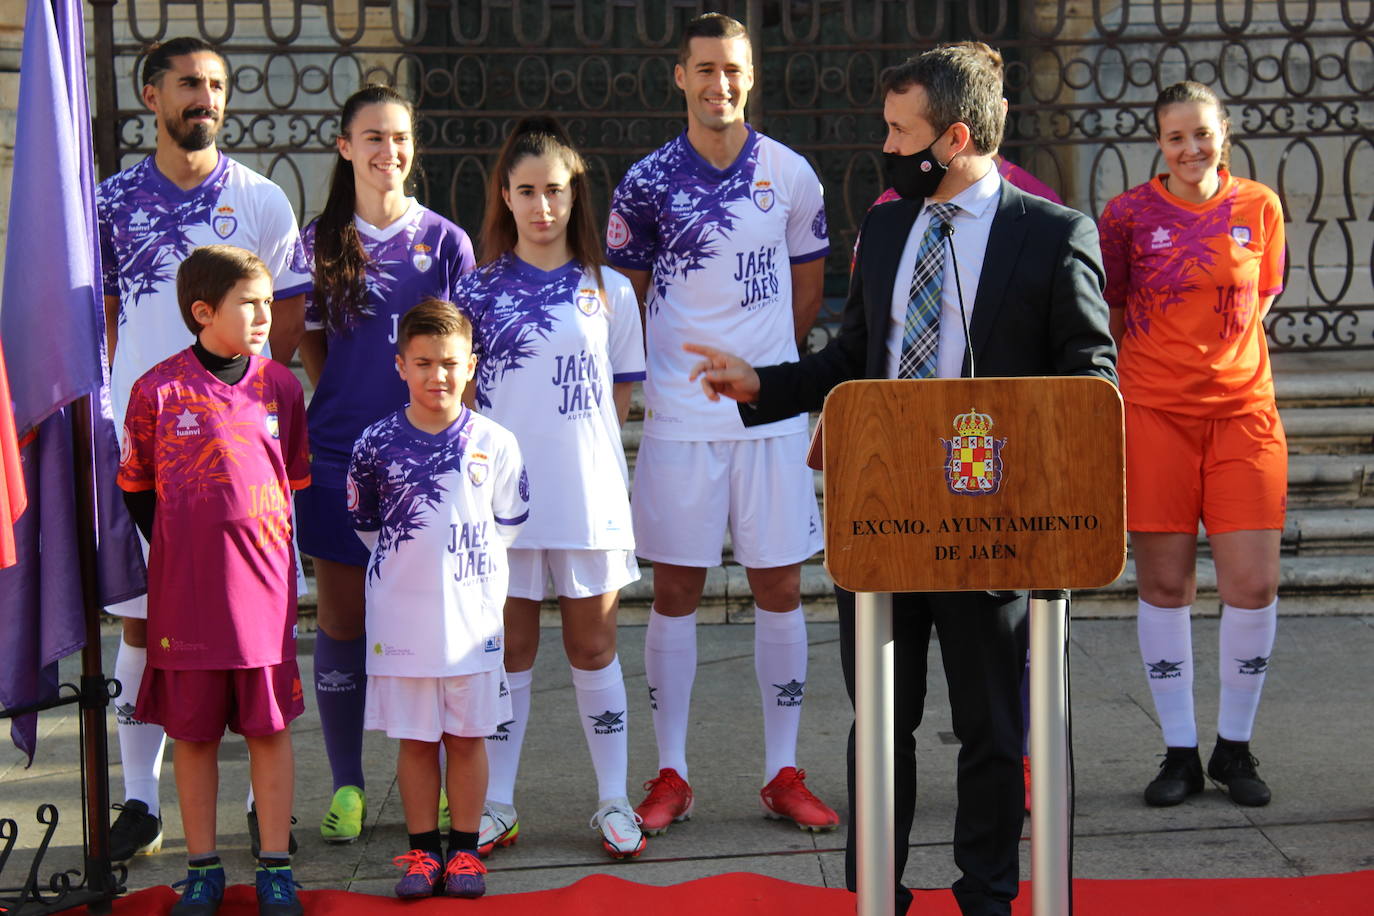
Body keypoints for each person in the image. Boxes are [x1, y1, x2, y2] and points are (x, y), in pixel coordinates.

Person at [685, 45, 1116, 915]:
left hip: (993, 520)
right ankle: (880, 887)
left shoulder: (1053, 233)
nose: (885, 146)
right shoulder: (888, 226)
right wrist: (763, 383)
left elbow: (1091, 380)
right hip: (882, 515)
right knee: (883, 720)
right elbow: (855, 361)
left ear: (954, 138)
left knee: (991, 727)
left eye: (899, 132)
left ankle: (986, 893)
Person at [604, 11, 839, 835]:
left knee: (781, 588)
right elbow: (622, 303)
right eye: (705, 69)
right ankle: (672, 773)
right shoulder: (644, 182)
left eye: (733, 69)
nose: (720, 84)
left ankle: (782, 770)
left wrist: (771, 376)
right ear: (680, 76)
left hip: (768, 422)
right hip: (678, 420)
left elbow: (807, 292)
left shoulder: (791, 173)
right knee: (675, 593)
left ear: (750, 74)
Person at [96, 36, 311, 862]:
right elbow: (102, 323)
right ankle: (141, 803)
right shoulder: (111, 203)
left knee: (255, 634)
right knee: (143, 618)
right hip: (143, 449)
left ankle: (265, 810)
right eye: (189, 84)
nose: (206, 98)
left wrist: (239, 416)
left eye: (217, 85)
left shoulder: (261, 199)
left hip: (240, 463)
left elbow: (282, 323)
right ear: (152, 96)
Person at [456, 118, 647, 858]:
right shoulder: (474, 292)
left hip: (588, 501)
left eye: (556, 191)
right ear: (505, 195)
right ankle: (498, 802)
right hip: (503, 507)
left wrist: (581, 457)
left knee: (594, 647)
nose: (542, 207)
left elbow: (618, 399)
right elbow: (461, 406)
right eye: (527, 191)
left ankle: (611, 800)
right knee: (511, 650)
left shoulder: (610, 292)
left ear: (576, 196)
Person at [295, 84, 476, 844]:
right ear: (345, 147)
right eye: (372, 137)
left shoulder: (447, 243)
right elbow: (309, 347)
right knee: (341, 619)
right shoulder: (315, 242)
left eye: (399, 137)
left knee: (426, 625)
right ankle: (346, 785)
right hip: (335, 456)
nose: (387, 151)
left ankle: (432, 790)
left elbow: (469, 357)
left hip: (428, 468)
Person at [1098, 81, 1285, 809]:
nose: (1190, 149)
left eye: (1201, 133)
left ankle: (1233, 748)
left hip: (1244, 417)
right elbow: (1112, 309)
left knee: (1253, 585)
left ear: (1224, 134)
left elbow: (1259, 297)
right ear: (1159, 142)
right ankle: (1179, 752)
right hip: (1155, 417)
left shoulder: (1259, 207)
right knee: (1166, 586)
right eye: (1175, 137)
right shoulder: (1126, 217)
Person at [116, 245, 309, 916]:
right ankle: (202, 868)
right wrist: (186, 545)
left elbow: (292, 484)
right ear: (204, 312)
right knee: (194, 735)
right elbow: (137, 490)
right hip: (187, 603)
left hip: (263, 600)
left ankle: (276, 865)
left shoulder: (281, 386)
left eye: (268, 301)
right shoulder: (156, 392)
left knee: (268, 729)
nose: (265, 314)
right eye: (248, 304)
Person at [348, 299, 528, 900]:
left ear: (472, 365)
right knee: (417, 740)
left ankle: (468, 852)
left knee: (468, 738)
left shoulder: (497, 442)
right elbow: (368, 526)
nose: (437, 376)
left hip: (472, 625)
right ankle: (424, 853)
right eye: (423, 363)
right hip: (402, 623)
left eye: (449, 363)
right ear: (400, 365)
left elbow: (508, 524)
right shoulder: (374, 444)